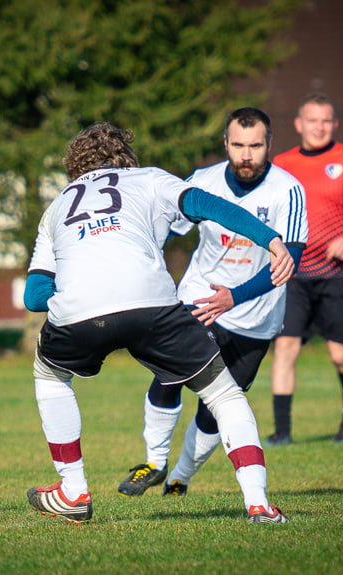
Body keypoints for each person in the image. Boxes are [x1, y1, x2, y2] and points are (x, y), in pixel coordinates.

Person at [23, 122, 295, 524]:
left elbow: (33, 297)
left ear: (75, 166)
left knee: (49, 376)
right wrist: (272, 241)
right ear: (125, 158)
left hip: (78, 311)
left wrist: (76, 293)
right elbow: (210, 205)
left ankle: (73, 491)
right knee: (224, 396)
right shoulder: (148, 178)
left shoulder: (57, 206)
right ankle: (258, 504)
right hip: (152, 302)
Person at [116, 107, 307, 498]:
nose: (246, 155)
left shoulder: (288, 190)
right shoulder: (202, 181)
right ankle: (154, 462)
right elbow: (165, 226)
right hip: (198, 298)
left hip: (255, 318)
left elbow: (289, 262)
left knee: (216, 409)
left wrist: (233, 297)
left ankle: (179, 478)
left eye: (255, 146)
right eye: (238, 145)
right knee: (169, 376)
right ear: (226, 143)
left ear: (269, 144)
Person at [268, 93, 343, 446]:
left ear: (334, 124)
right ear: (298, 124)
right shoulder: (282, 163)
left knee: (339, 353)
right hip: (295, 274)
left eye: (326, 120)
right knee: (285, 348)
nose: (318, 127)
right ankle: (281, 433)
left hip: (339, 275)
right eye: (312, 120)